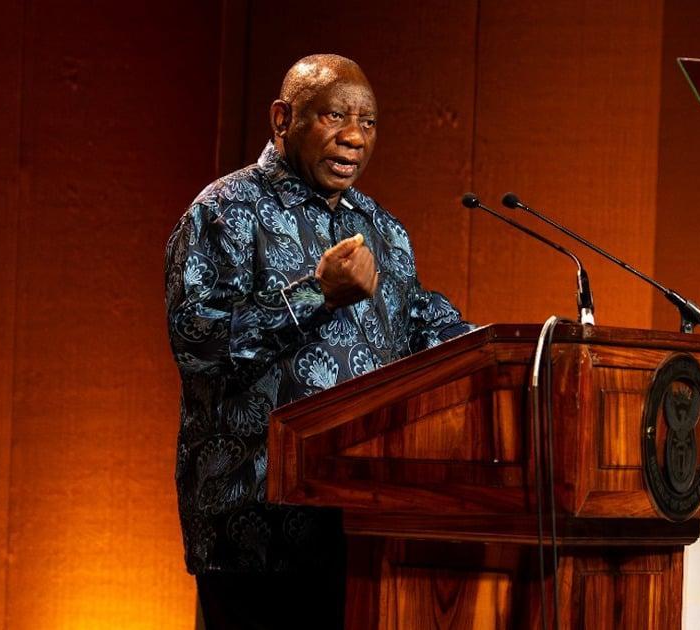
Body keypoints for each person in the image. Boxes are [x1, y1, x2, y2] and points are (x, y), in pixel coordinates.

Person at [164, 54, 474, 628]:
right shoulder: (224, 212)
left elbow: (422, 327)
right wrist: (316, 295)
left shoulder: (383, 229)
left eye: (369, 122)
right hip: (256, 534)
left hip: (361, 530)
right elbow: (199, 347)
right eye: (335, 116)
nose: (355, 137)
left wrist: (522, 350)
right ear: (283, 119)